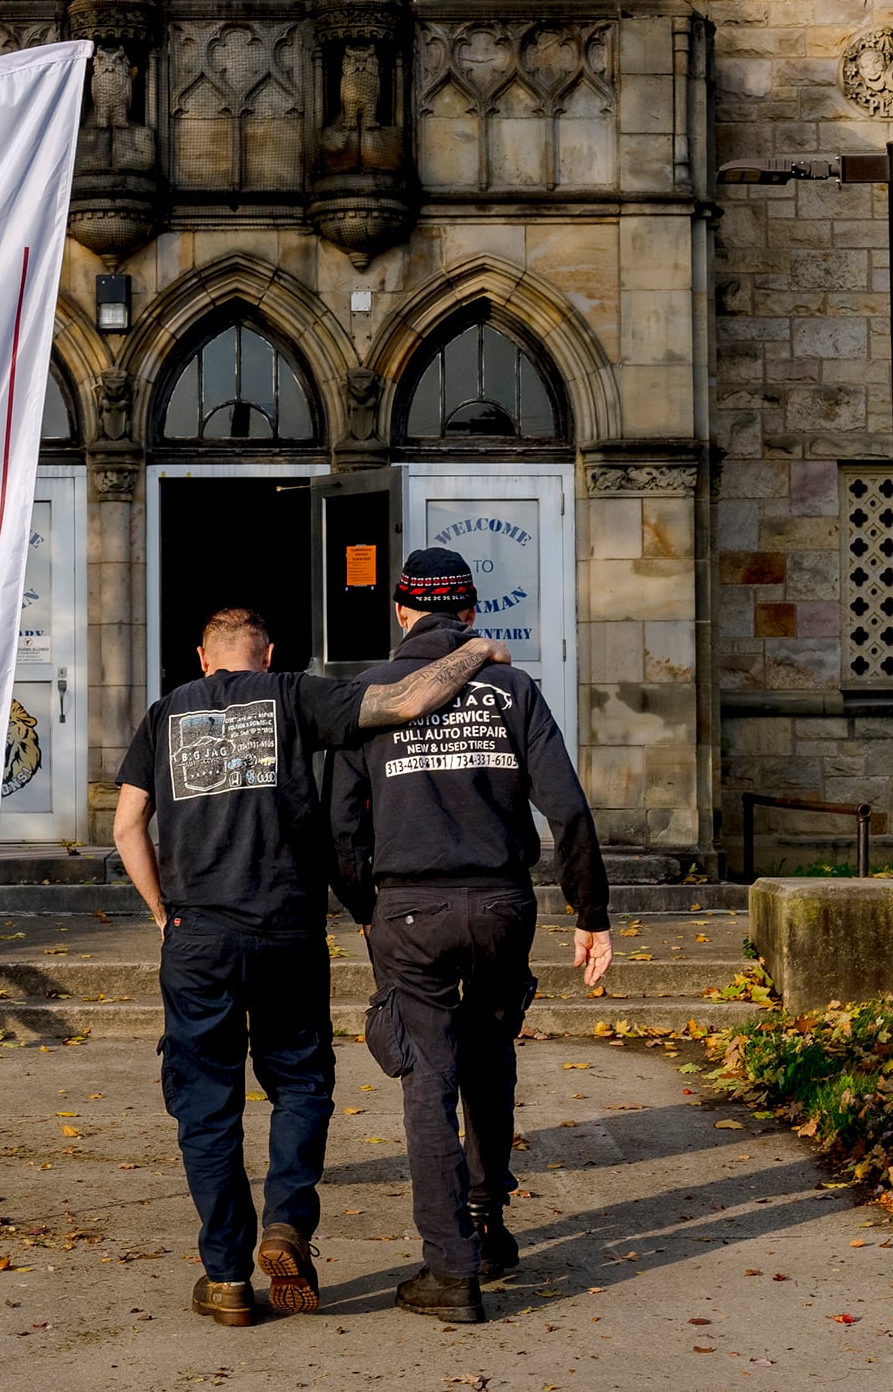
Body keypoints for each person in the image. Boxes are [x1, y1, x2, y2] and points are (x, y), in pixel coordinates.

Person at [113, 605, 511, 1328]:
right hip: (287, 932)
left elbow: (125, 825)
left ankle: (227, 1278)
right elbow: (409, 698)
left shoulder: (164, 713)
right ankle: (287, 1222)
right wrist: (475, 650)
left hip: (197, 935)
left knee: (206, 1105)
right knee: (299, 1083)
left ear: (203, 660)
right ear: (267, 655)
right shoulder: (295, 694)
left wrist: (159, 911)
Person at [330, 548, 612, 1325]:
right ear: (473, 614)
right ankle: (488, 1227)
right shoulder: (513, 688)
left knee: (429, 1081)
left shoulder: (370, 696)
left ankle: (450, 1269)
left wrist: (363, 905)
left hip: (410, 909)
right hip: (499, 904)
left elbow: (338, 825)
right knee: (489, 1062)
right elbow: (570, 811)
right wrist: (591, 915)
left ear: (400, 610)